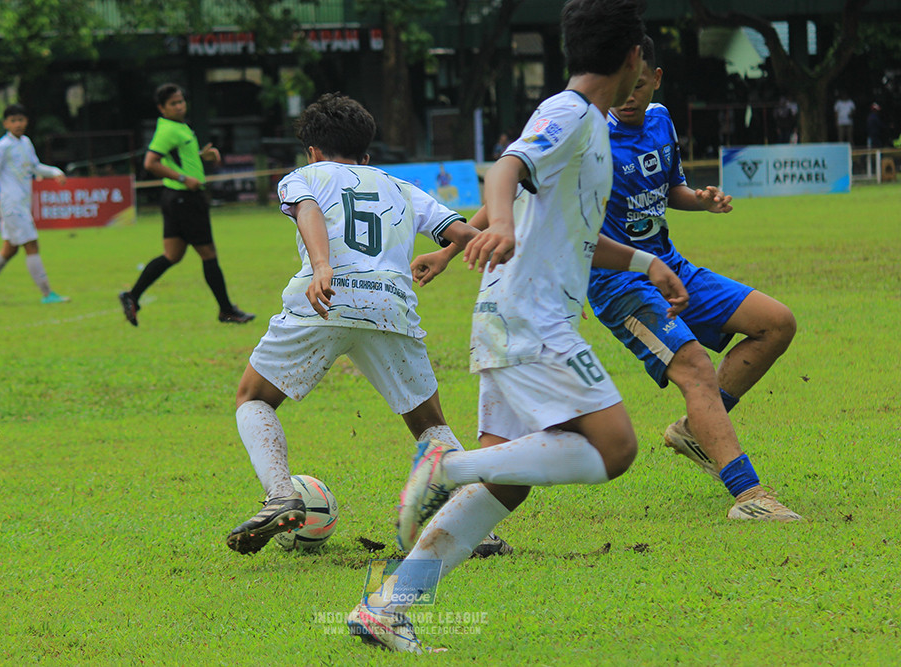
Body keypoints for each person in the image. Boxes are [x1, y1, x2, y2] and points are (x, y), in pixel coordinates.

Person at [347, 0, 684, 652]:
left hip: (513, 310)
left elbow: (574, 234)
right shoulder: (570, 113)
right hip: (534, 315)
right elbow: (505, 165)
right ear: (634, 58)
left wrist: (646, 262)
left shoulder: (584, 122)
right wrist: (497, 220)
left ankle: (389, 603)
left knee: (508, 480)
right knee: (615, 446)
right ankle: (445, 460)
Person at [226, 93, 510, 559]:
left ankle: (282, 495)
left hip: (324, 300)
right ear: (366, 154)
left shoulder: (303, 176)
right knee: (428, 423)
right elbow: (464, 233)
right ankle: (472, 526)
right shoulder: (398, 185)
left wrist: (322, 266)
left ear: (313, 150)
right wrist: (517, 267)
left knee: (253, 398)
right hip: (390, 305)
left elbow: (309, 211)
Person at [586, 35, 800, 521]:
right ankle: (749, 497)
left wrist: (699, 200)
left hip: (672, 267)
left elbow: (670, 188)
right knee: (695, 368)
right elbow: (526, 187)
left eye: (639, 84)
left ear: (655, 80)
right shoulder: (588, 133)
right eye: (621, 85)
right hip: (620, 283)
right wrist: (456, 244)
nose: (629, 94)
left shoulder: (660, 119)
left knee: (777, 323)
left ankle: (693, 429)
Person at [118, 83, 253, 326]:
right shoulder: (168, 129)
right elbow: (151, 162)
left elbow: (178, 159)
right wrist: (183, 178)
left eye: (181, 101)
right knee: (208, 254)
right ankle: (226, 310)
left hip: (174, 199)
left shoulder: (177, 127)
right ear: (162, 108)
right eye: (173, 103)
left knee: (172, 255)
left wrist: (202, 157)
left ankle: (132, 296)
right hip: (185, 199)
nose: (179, 106)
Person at [0, 104, 70, 305]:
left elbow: (35, 167)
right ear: (5, 124)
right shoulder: (1, 147)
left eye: (21, 120)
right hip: (11, 204)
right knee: (31, 245)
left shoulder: (26, 143)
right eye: (13, 121)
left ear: (27, 121)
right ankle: (48, 294)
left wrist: (55, 171)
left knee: (9, 249)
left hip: (21, 203)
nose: (18, 124)